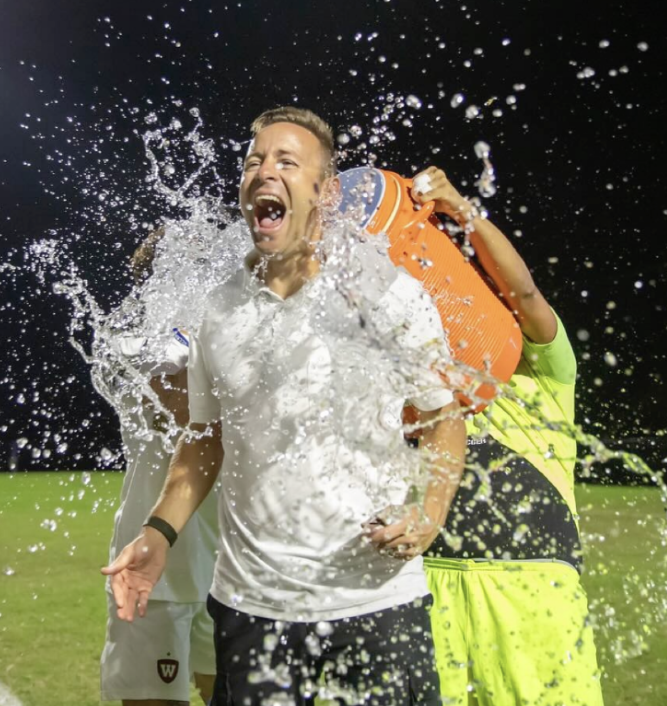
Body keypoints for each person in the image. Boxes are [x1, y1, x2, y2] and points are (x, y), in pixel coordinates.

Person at [103, 107, 467, 705]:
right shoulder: (218, 311)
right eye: (254, 161)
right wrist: (158, 533)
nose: (263, 170)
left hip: (376, 601)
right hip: (254, 607)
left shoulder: (387, 293)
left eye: (286, 162)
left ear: (324, 194)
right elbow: (204, 441)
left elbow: (441, 418)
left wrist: (429, 513)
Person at [414, 168, 605, 706]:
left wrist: (459, 209)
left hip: (534, 584)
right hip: (431, 579)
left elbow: (524, 291)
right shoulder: (420, 379)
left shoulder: (544, 365)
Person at [98, 228, 219, 705]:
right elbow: (191, 417)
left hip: (228, 569)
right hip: (156, 570)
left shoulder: (225, 333)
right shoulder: (133, 344)